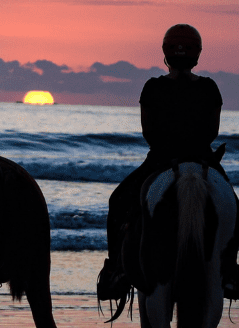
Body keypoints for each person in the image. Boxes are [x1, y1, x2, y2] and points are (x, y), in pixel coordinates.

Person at [101, 23, 238, 299]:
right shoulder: (209, 87)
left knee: (118, 201)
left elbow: (148, 131)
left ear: (165, 54)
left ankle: (117, 268)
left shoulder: (153, 87)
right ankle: (229, 270)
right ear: (197, 55)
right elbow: (212, 131)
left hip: (161, 160)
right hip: (202, 159)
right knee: (234, 207)